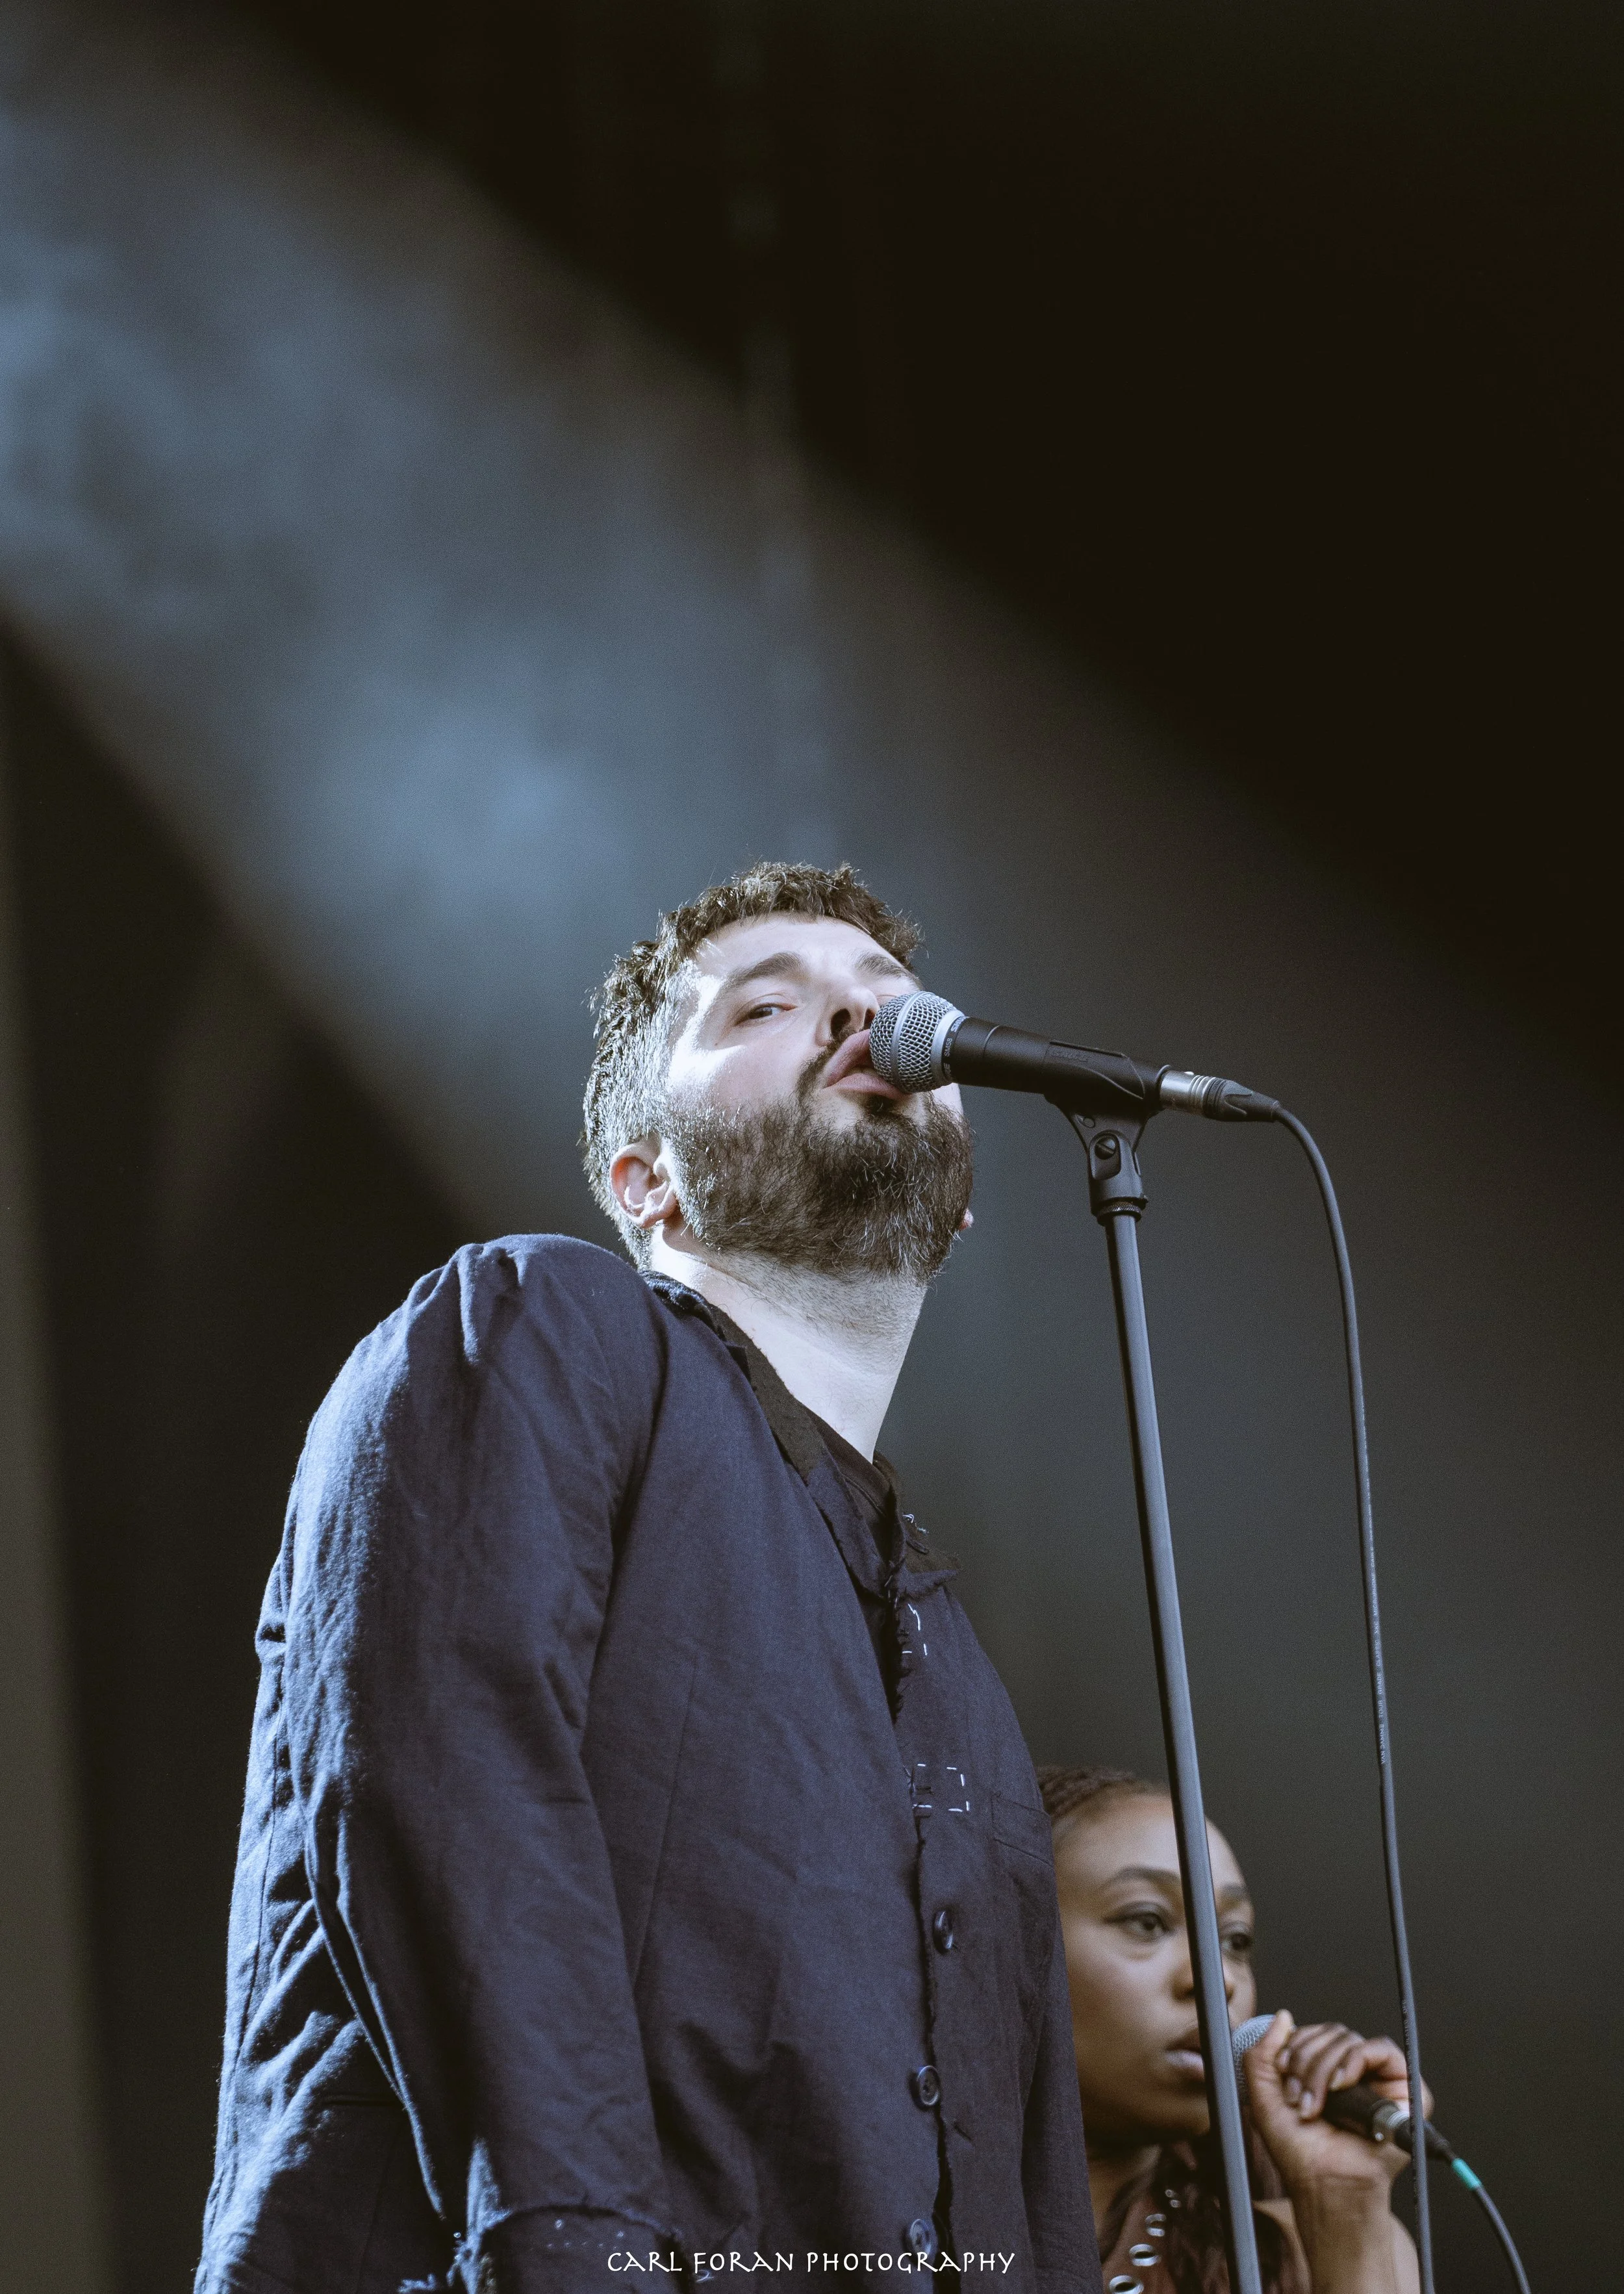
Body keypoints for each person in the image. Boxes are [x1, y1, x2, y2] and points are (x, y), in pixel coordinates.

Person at [196, 862, 1098, 2294]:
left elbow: (1010, 2164)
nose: (858, 1021)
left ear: (962, 1194)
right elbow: (451, 1783)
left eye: (884, 1000)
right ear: (645, 1177)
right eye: (769, 1002)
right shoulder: (545, 1324)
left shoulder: (951, 1668)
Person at [1037, 1766, 1423, 2294]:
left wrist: (1345, 2203)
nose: (1219, 1978)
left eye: (1235, 1940)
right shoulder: (900, 2238)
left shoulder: (1303, 2257)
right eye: (1148, 1921)